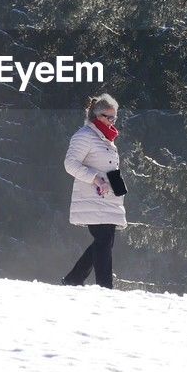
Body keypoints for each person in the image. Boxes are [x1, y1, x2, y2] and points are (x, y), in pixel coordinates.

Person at [61, 93, 126, 288]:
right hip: (92, 197)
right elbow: (70, 164)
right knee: (104, 241)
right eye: (109, 117)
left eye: (115, 117)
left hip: (109, 198)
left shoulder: (107, 139)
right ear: (97, 115)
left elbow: (108, 167)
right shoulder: (85, 136)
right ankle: (105, 287)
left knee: (104, 242)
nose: (113, 121)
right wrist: (95, 179)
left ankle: (74, 278)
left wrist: (118, 185)